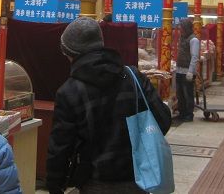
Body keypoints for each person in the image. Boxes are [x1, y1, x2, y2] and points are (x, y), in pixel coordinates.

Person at [46, 17, 171, 194]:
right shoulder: (132, 77)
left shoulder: (69, 92)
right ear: (101, 43)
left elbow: (60, 147)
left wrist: (55, 185)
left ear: (69, 53)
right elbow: (163, 121)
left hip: (94, 182)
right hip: (138, 179)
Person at [175, 17, 199, 122]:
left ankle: (189, 114)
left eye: (181, 27)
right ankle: (182, 112)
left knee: (187, 93)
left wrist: (191, 71)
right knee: (179, 93)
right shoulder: (182, 38)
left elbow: (194, 57)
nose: (180, 29)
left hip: (187, 71)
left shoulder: (194, 40)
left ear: (186, 27)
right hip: (179, 70)